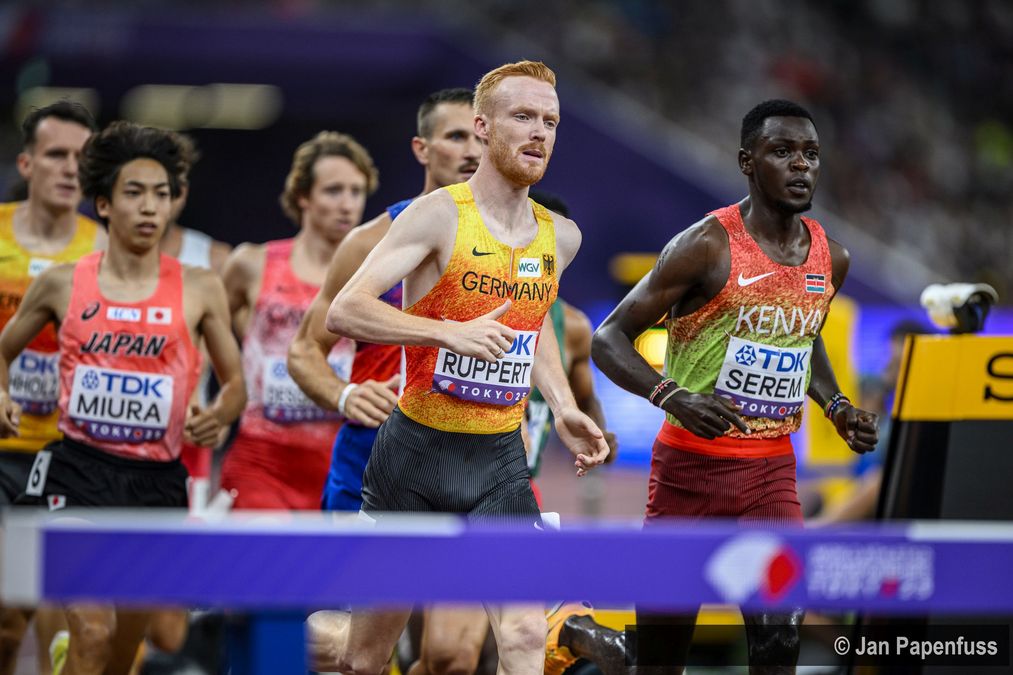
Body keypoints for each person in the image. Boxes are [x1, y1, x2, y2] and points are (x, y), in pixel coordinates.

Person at [321, 59, 609, 675]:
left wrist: (563, 408)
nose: (539, 133)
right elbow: (346, 310)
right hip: (415, 454)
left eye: (550, 121)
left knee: (529, 630)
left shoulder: (560, 237)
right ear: (482, 127)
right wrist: (446, 332)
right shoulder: (438, 215)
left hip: (499, 459)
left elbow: (536, 325)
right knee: (364, 657)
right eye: (523, 117)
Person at [589, 99, 879, 673]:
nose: (801, 166)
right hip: (687, 473)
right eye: (782, 152)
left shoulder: (832, 257)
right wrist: (670, 396)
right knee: (663, 654)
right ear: (747, 162)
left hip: (771, 475)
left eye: (811, 154)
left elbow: (806, 333)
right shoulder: (705, 245)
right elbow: (609, 338)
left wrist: (837, 404)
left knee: (778, 646)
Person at [0, 120, 246, 675]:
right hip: (76, 475)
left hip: (156, 484)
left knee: (121, 654)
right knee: (93, 629)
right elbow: (3, 350)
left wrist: (218, 414)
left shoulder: (200, 286)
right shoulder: (62, 283)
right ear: (104, 205)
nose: (150, 207)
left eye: (161, 194)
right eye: (134, 193)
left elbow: (236, 386)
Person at [287, 89, 497, 674]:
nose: (472, 150)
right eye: (456, 136)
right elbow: (305, 348)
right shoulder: (369, 240)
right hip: (372, 464)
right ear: (421, 148)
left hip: (466, 468)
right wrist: (346, 394)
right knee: (341, 651)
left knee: (452, 655)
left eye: (481, 137)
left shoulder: (512, 242)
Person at [0, 100, 104, 675]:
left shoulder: (104, 248)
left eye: (82, 158)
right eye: (56, 154)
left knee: (73, 621)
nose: (70, 168)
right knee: (7, 620)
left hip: (67, 457)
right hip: (1, 452)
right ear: (26, 163)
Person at [218, 131, 372, 510]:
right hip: (263, 458)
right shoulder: (251, 264)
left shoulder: (374, 276)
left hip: (341, 458)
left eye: (357, 191)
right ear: (303, 196)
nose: (347, 204)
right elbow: (205, 328)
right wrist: (223, 391)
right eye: (333, 191)